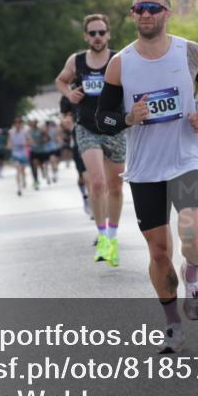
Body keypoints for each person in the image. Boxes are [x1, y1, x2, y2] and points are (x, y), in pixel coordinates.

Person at [96, 0, 198, 353]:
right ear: (132, 15)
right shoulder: (120, 63)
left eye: (153, 8)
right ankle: (172, 325)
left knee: (195, 236)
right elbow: (102, 118)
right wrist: (127, 118)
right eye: (139, 9)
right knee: (158, 253)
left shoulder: (190, 52)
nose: (146, 14)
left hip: (186, 160)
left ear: (167, 12)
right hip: (145, 170)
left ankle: (193, 275)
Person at [55, 14, 127, 263]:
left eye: (101, 32)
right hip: (87, 127)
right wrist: (69, 94)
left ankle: (113, 237)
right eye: (93, 33)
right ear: (86, 36)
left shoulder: (119, 59)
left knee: (115, 186)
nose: (97, 37)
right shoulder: (76, 60)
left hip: (115, 128)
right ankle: (103, 237)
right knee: (97, 182)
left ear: (108, 34)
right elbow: (61, 80)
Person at [59, 96, 91, 217]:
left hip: (99, 139)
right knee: (84, 177)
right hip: (78, 143)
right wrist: (70, 125)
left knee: (98, 177)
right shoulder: (67, 97)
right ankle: (87, 198)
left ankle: (95, 202)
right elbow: (64, 119)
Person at [8, 116, 31, 196]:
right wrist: (10, 146)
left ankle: (24, 179)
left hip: (23, 153)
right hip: (15, 153)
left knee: (22, 170)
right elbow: (9, 142)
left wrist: (25, 144)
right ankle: (19, 188)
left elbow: (29, 141)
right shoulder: (11, 132)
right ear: (14, 124)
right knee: (18, 169)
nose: (18, 124)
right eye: (16, 122)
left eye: (19, 122)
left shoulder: (25, 131)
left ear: (21, 124)